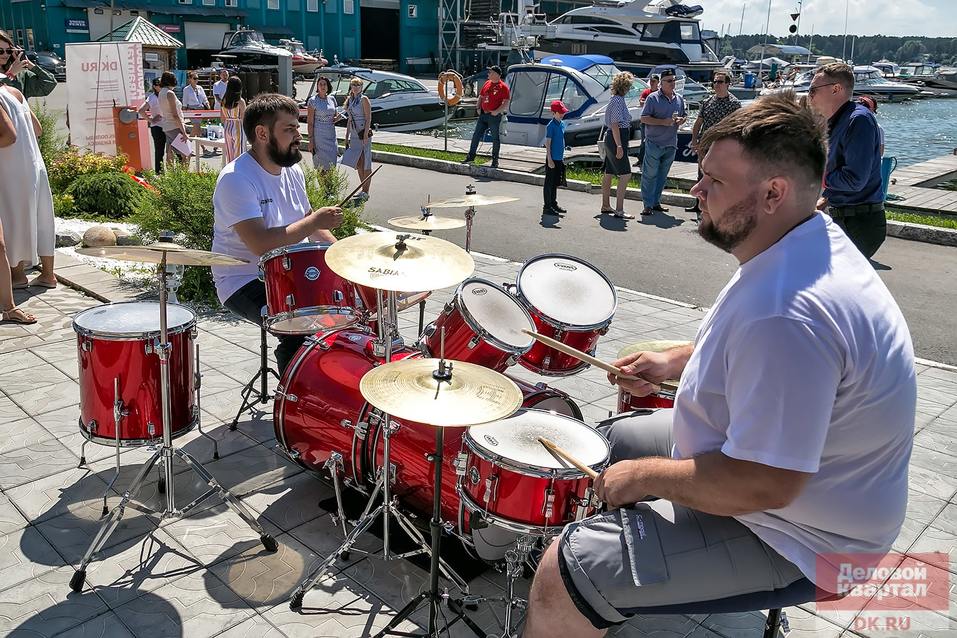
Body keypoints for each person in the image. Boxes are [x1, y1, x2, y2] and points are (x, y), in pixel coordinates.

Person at [523, 92, 916, 637]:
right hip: (782, 487)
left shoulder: (787, 312)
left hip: (804, 537)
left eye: (714, 181)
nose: (695, 189)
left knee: (569, 569)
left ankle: (579, 597)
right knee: (601, 442)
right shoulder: (796, 244)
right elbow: (746, 354)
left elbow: (764, 483)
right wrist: (672, 360)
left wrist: (643, 478)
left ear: (774, 192)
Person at [211, 94, 343, 374]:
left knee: (348, 314)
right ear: (262, 133)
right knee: (301, 327)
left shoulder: (292, 169)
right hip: (244, 278)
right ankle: (295, 405)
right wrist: (313, 222)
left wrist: (344, 257)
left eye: (297, 127)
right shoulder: (236, 178)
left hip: (290, 271)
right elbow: (260, 244)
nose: (298, 135)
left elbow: (309, 222)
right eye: (289, 129)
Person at [808, 63, 886, 259]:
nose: (809, 96)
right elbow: (840, 169)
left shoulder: (858, 120)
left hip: (859, 224)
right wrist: (826, 197)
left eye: (813, 90)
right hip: (845, 219)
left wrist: (818, 175)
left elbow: (854, 179)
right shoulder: (838, 121)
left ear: (836, 89)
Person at [0, 83, 56, 295]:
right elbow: (38, 129)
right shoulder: (15, 93)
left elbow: (9, 136)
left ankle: (18, 275)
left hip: (10, 167)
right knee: (43, 218)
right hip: (35, 163)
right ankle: (48, 274)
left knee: (10, 219)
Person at [686, 70, 741, 217]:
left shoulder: (734, 104)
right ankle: (698, 205)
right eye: (715, 82)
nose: (716, 84)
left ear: (728, 84)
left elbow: (737, 127)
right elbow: (698, 123)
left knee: (717, 176)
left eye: (720, 82)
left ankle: (715, 206)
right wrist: (694, 140)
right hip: (705, 144)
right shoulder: (707, 102)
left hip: (722, 147)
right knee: (701, 174)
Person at [639, 67, 686, 217]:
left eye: (674, 80)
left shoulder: (679, 99)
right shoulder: (653, 98)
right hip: (654, 142)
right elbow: (644, 118)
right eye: (669, 81)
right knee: (650, 174)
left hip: (671, 143)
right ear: (661, 83)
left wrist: (681, 120)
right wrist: (662, 122)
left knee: (662, 176)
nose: (673, 83)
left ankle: (655, 202)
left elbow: (683, 116)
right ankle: (647, 205)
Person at [600, 71, 635, 220]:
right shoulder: (618, 101)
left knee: (609, 172)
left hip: (613, 138)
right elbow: (615, 124)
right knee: (625, 174)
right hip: (617, 138)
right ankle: (619, 209)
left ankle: (606, 204)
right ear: (625, 87)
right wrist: (619, 146)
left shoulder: (615, 99)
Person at [462, 65, 510, 169]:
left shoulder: (503, 87)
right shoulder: (487, 83)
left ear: (496, 74)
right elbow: (481, 96)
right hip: (483, 114)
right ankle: (470, 157)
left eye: (490, 72)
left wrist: (497, 111)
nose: (488, 74)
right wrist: (478, 107)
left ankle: (495, 160)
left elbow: (506, 102)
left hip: (493, 116)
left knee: (495, 138)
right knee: (476, 136)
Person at [341, 77, 374, 201]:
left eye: (358, 85)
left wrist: (365, 134)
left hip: (362, 132)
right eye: (353, 85)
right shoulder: (351, 100)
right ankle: (362, 188)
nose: (355, 87)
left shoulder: (364, 99)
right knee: (358, 162)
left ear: (361, 87)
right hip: (354, 134)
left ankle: (366, 191)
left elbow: (368, 118)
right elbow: (349, 119)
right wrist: (347, 136)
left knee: (366, 161)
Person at [0, 31, 56, 98]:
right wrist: (10, 74)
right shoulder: (14, 71)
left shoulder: (20, 74)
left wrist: (28, 63)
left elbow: (49, 82)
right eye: (1, 51)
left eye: (9, 50)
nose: (5, 54)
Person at [306, 76, 340, 171]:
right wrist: (311, 141)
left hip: (331, 136)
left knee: (332, 165)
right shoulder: (312, 101)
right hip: (319, 137)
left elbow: (336, 116)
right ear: (317, 86)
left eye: (324, 84)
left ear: (328, 86)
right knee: (321, 167)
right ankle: (322, 186)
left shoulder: (332, 99)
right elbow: (310, 122)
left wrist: (337, 118)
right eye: (320, 84)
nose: (322, 86)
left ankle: (329, 186)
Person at [158, 71, 189, 166]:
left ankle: (171, 176)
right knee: (186, 154)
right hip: (174, 125)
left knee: (170, 151)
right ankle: (183, 177)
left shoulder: (161, 92)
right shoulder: (170, 93)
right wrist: (184, 131)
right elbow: (175, 115)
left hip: (167, 125)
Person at [543, 99, 568, 216]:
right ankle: (547, 206)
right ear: (554, 112)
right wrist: (549, 158)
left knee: (555, 183)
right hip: (552, 158)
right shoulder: (551, 126)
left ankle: (553, 203)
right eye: (560, 112)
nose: (563, 114)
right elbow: (548, 143)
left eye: (563, 112)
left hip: (559, 158)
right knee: (549, 183)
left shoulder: (562, 124)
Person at [138, 77, 166, 173]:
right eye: (159, 84)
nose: (161, 86)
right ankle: (159, 172)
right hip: (157, 127)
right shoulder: (152, 97)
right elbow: (141, 110)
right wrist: (150, 120)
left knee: (173, 150)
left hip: (169, 125)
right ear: (154, 86)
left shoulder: (167, 95)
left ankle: (174, 173)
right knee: (159, 151)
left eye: (162, 84)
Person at [183, 71, 214, 156]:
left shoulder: (200, 88)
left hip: (200, 110)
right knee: (196, 128)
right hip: (192, 110)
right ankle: (186, 147)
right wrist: (184, 114)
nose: (197, 80)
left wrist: (208, 107)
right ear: (190, 79)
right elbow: (185, 102)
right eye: (195, 78)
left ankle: (203, 149)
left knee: (198, 130)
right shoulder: (186, 89)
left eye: (197, 78)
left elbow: (204, 98)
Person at [220, 76, 246, 164]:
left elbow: (222, 118)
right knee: (239, 154)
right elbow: (244, 117)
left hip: (227, 126)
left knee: (229, 154)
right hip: (238, 126)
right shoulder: (240, 101)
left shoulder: (224, 100)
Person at [635, 74, 659, 167]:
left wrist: (648, 103)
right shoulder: (646, 92)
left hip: (656, 122)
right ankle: (640, 160)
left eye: (654, 81)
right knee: (643, 142)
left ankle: (652, 160)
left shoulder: (660, 93)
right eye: (651, 81)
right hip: (645, 121)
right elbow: (641, 103)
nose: (652, 83)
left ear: (658, 82)